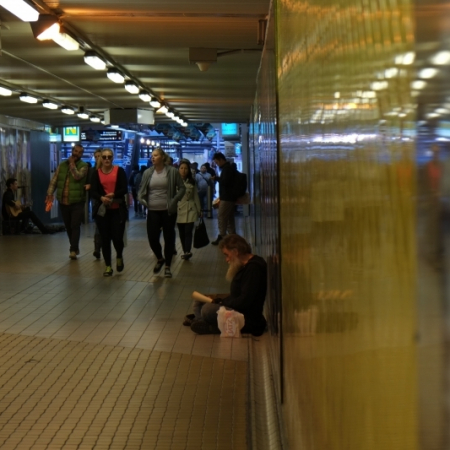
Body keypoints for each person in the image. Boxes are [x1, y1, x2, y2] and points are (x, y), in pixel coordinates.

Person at [186, 234, 267, 336]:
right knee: (199, 302)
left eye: (227, 255)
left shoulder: (253, 269)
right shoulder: (245, 265)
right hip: (237, 307)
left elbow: (244, 300)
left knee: (208, 310)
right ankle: (203, 321)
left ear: (236, 252)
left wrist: (222, 302)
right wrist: (219, 300)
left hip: (246, 317)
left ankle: (210, 325)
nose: (226, 259)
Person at [138, 147, 186, 278]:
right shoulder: (148, 172)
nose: (152, 157)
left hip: (168, 210)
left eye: (156, 155)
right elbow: (142, 188)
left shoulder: (172, 171)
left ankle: (167, 266)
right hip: (152, 210)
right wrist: (141, 199)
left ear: (162, 157)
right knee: (152, 238)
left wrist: (175, 200)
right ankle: (160, 258)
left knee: (168, 238)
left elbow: (182, 188)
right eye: (152, 155)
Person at [90, 148, 128, 277]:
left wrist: (113, 195)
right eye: (104, 157)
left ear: (113, 158)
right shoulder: (96, 173)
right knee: (105, 239)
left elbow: (124, 188)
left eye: (109, 157)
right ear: (101, 159)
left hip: (117, 210)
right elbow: (93, 191)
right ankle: (108, 266)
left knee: (117, 238)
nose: (107, 159)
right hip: (103, 211)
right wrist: (101, 198)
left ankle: (119, 255)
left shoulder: (119, 171)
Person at [46, 144, 88, 259]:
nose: (77, 154)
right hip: (63, 201)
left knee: (75, 225)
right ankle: (74, 246)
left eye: (79, 152)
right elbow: (54, 180)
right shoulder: (62, 165)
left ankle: (73, 250)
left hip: (77, 201)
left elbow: (77, 176)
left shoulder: (84, 166)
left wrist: (72, 164)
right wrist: (49, 193)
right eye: (75, 151)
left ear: (82, 154)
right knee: (68, 226)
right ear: (72, 151)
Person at [177, 160, 202, 260]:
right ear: (178, 169)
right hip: (178, 209)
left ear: (188, 170)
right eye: (181, 168)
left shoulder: (192, 182)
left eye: (186, 168)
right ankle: (185, 250)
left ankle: (187, 251)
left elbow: (195, 196)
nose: (183, 170)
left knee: (188, 232)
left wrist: (199, 210)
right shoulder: (174, 181)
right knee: (181, 233)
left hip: (190, 209)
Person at [211, 152, 237, 245]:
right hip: (229, 197)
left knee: (221, 216)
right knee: (229, 218)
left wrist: (217, 179)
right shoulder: (228, 168)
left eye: (217, 162)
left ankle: (222, 236)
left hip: (227, 197)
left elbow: (225, 182)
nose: (217, 164)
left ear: (221, 160)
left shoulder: (227, 169)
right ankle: (232, 237)